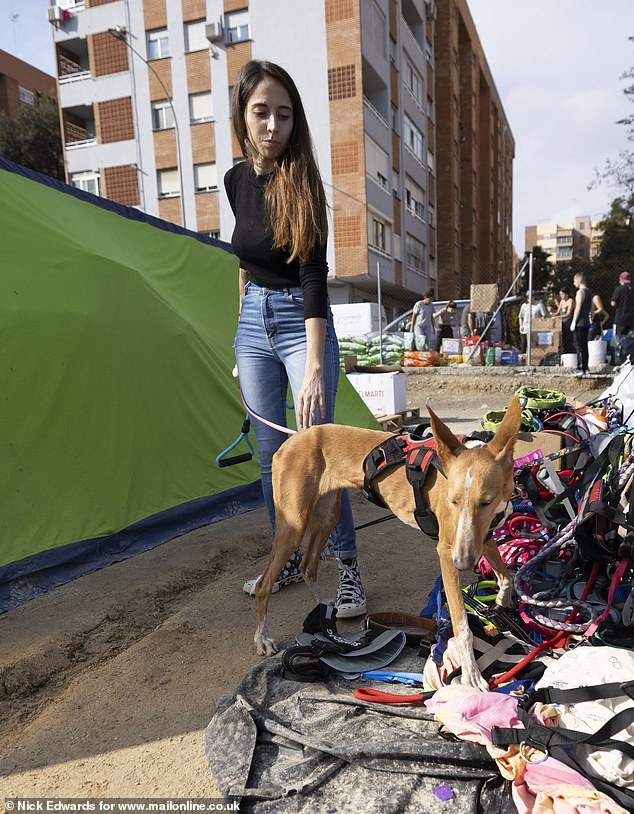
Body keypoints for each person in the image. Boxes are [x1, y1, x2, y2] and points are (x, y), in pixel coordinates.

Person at [225, 60, 366, 616]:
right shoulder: (236, 181)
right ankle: (282, 560)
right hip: (253, 323)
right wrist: (242, 332)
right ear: (243, 116)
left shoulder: (304, 182)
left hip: (300, 324)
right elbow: (245, 262)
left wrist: (312, 366)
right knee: (269, 458)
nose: (272, 126)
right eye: (261, 113)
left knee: (321, 456)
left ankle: (348, 570)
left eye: (283, 115)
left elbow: (313, 279)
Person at [570, 272, 593, 375]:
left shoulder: (580, 292)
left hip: (579, 323)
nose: (574, 283)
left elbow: (578, 307)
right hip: (586, 324)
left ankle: (579, 368)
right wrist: (591, 318)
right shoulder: (589, 292)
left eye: (574, 281)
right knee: (585, 346)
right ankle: (586, 367)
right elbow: (592, 308)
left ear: (579, 281)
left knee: (578, 346)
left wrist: (574, 321)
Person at [610, 271, 634, 361]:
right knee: (631, 340)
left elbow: (613, 303)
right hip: (632, 319)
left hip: (621, 319)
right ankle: (631, 358)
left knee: (618, 339)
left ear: (621, 280)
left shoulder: (619, 289)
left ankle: (618, 359)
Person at [555, 286, 575, 354]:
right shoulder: (561, 302)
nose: (561, 296)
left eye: (562, 294)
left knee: (569, 339)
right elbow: (557, 312)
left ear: (567, 294)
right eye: (560, 294)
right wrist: (552, 314)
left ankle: (571, 353)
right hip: (562, 324)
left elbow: (568, 313)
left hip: (569, 323)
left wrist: (559, 317)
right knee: (563, 340)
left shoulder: (571, 301)